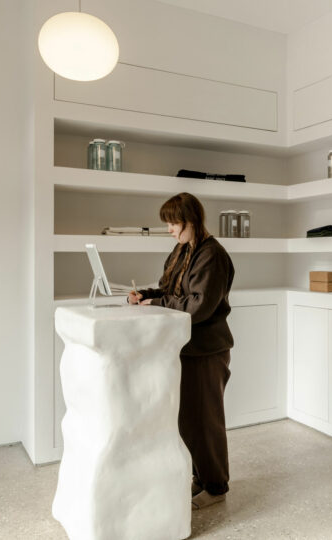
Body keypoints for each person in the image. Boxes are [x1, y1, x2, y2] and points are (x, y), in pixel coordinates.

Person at [129, 192, 235, 510]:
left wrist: (158, 302)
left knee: (206, 422)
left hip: (207, 351)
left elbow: (199, 305)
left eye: (174, 223)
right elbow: (170, 290)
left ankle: (216, 487)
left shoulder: (212, 255)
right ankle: (201, 479)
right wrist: (145, 294)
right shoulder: (182, 251)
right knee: (190, 422)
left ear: (191, 220)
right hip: (187, 349)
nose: (170, 230)